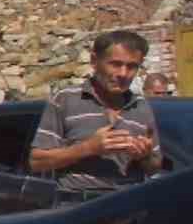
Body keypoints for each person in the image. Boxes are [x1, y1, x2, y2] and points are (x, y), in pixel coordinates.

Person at [29, 30, 160, 202]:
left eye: (131, 66)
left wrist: (144, 156)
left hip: (128, 210)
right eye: (115, 64)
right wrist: (89, 148)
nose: (123, 73)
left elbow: (154, 168)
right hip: (77, 209)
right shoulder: (66, 99)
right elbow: (37, 162)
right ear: (94, 61)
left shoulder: (141, 106)